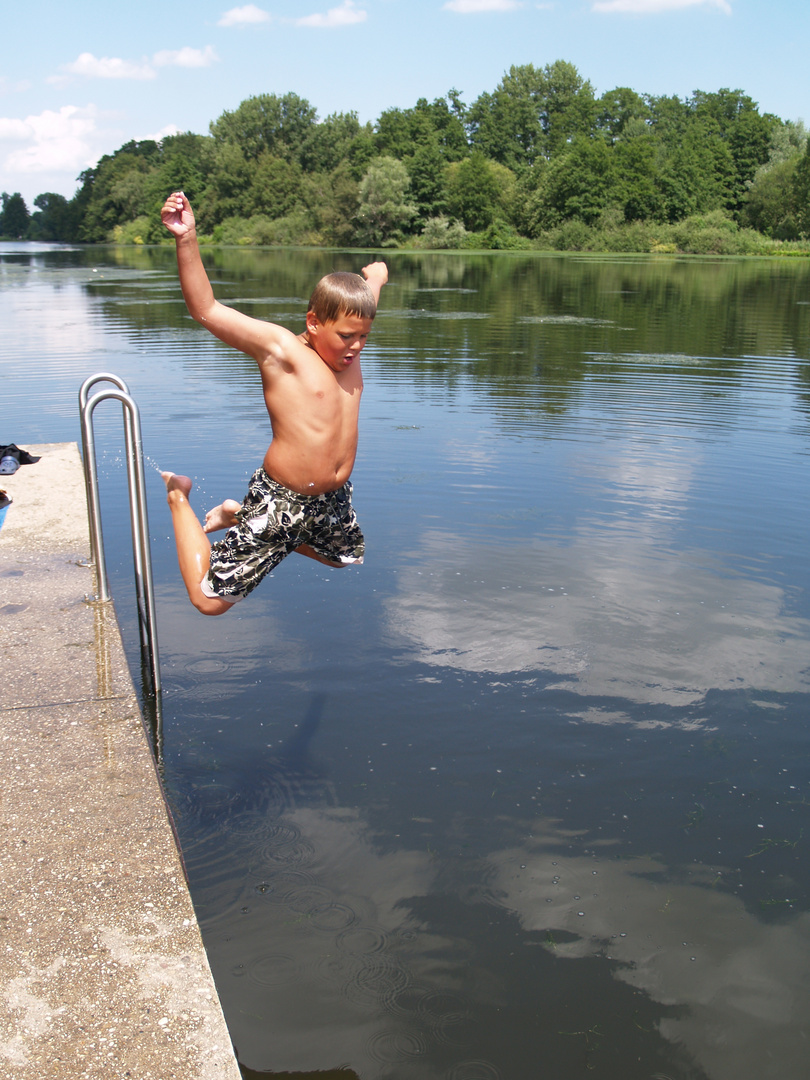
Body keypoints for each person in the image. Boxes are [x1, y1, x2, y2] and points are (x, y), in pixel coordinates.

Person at [159, 191, 388, 616]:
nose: (356, 347)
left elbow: (367, 295)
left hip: (332, 498)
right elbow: (205, 307)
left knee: (345, 558)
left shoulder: (349, 345)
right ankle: (179, 496)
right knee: (208, 603)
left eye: (364, 337)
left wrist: (377, 276)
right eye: (345, 336)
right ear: (314, 321)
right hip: (281, 499)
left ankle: (236, 515)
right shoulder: (282, 351)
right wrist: (186, 237)